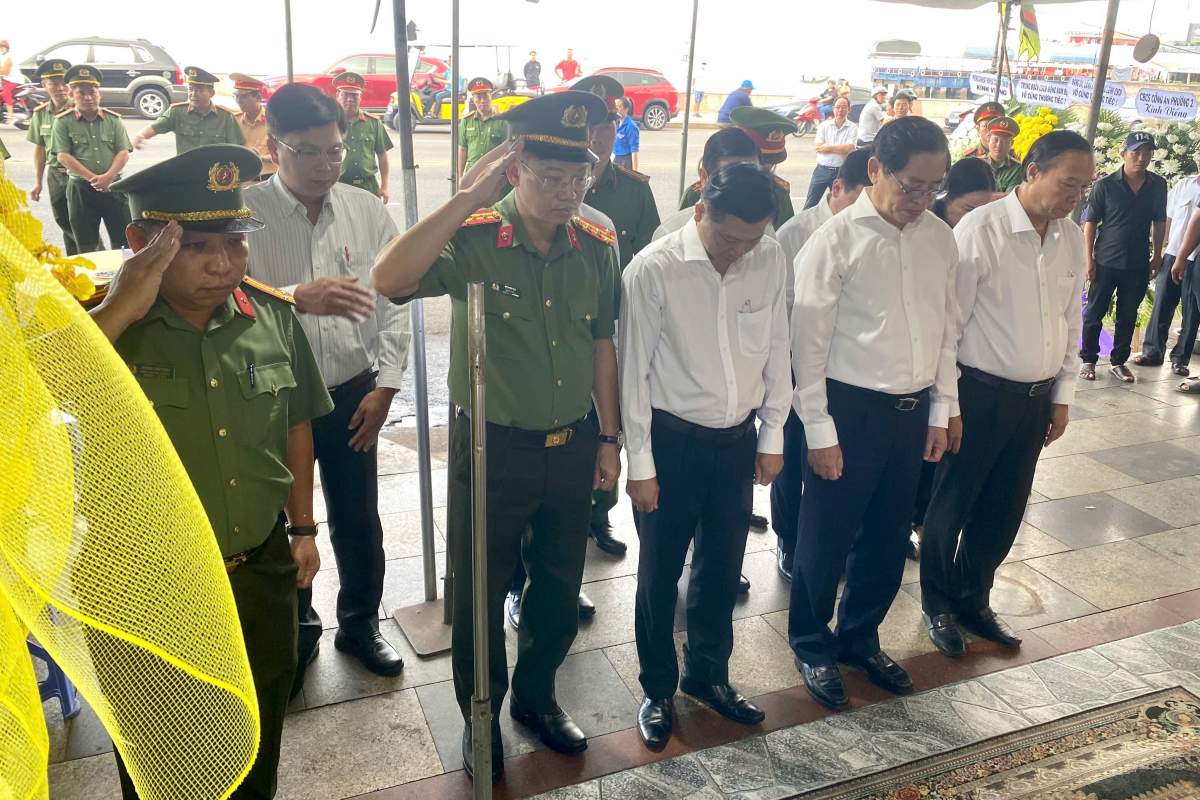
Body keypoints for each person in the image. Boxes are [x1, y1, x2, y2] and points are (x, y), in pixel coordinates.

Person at [369, 91, 621, 779]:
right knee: (481, 589)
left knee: (559, 584)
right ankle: (482, 712)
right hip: (491, 449)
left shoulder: (596, 243)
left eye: (580, 178)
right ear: (514, 171)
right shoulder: (476, 235)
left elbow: (603, 342)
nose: (570, 192)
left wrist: (611, 438)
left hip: (572, 443)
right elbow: (390, 277)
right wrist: (461, 200)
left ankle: (537, 699)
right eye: (552, 177)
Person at [92, 143, 334, 800]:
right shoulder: (100, 328)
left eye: (235, 241)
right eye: (198, 246)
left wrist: (305, 528)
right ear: (143, 242)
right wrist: (115, 311)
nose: (224, 263)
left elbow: (296, 424)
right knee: (159, 751)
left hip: (257, 569)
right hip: (149, 583)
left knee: (258, 730)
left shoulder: (273, 317)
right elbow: (31, 400)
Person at [244, 82, 410, 689]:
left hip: (350, 391)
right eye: (308, 152)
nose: (325, 165)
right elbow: (222, 298)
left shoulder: (366, 209)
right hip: (270, 397)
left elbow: (394, 302)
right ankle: (296, 629)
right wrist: (293, 298)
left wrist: (386, 385)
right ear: (273, 145)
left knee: (359, 515)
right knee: (280, 521)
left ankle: (361, 622)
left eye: (335, 150)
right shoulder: (243, 211)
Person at [789, 117, 957, 711]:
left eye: (934, 187)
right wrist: (818, 429)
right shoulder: (835, 241)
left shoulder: (939, 238)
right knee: (825, 536)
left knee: (888, 537)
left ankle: (859, 635)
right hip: (848, 409)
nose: (922, 199)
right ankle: (811, 641)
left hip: (911, 414)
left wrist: (943, 409)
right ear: (875, 170)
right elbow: (805, 347)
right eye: (911, 185)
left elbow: (945, 331)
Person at [622, 164, 788, 752]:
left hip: (736, 441)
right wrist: (638, 465)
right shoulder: (654, 268)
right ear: (700, 213)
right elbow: (632, 374)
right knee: (659, 572)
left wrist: (772, 438)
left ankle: (708, 674)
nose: (739, 252)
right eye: (728, 240)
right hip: (671, 442)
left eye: (752, 239)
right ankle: (657, 687)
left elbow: (776, 348)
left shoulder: (768, 256)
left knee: (722, 566)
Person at [921, 131, 1091, 658]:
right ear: (1033, 170)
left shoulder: (1067, 237)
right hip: (979, 392)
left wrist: (1061, 395)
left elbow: (1071, 319)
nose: (1074, 198)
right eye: (1068, 184)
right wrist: (945, 406)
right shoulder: (981, 230)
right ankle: (938, 605)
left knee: (1005, 506)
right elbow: (949, 326)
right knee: (952, 503)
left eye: (1083, 188)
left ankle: (975, 598)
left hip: (1034, 398)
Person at [771, 149, 872, 582]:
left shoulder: (874, 232)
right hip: (798, 364)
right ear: (836, 189)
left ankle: (833, 539)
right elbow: (783, 312)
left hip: (848, 370)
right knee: (793, 458)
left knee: (836, 457)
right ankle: (788, 538)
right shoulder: (795, 234)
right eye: (860, 199)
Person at [578, 73, 660, 549]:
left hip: (618, 326)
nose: (597, 133)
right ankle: (575, 514)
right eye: (589, 123)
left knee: (613, 422)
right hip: (567, 327)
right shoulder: (556, 182)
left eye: (606, 122)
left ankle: (600, 513)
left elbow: (650, 257)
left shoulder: (633, 191)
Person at [911, 157, 998, 554]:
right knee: (919, 450)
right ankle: (910, 520)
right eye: (967, 209)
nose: (974, 218)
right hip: (920, 361)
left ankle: (926, 520)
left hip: (959, 365)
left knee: (943, 448)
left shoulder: (983, 236)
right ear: (945, 201)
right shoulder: (926, 234)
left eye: (984, 208)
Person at [1080, 131, 1167, 384]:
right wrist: (1088, 257)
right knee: (1094, 312)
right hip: (1106, 260)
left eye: (1147, 152)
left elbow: (1159, 221)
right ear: (1123, 154)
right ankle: (1088, 359)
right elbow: (1091, 222)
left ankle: (1119, 361)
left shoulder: (1157, 185)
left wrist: (1157, 255)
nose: (1142, 158)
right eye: (1136, 152)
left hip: (1138, 262)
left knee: (1128, 314)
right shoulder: (1104, 185)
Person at [673, 107, 796, 235]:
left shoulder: (778, 195)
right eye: (750, 167)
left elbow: (785, 239)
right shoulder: (696, 194)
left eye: (767, 167)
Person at [51, 64, 132, 253]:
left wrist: (108, 177)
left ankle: (124, 279)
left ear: (99, 94)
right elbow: (63, 156)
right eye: (81, 93)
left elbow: (123, 152)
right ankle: (91, 281)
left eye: (92, 92)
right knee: (86, 243)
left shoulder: (114, 120)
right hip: (81, 189)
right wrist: (94, 179)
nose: (88, 97)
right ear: (72, 95)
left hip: (114, 186)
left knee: (124, 241)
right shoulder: (63, 122)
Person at [1134, 145, 1200, 374]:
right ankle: (1152, 352)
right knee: (1162, 302)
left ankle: (1180, 359)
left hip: (1196, 257)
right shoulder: (1185, 184)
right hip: (1174, 252)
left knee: (1191, 310)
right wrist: (1160, 251)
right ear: (1195, 157)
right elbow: (1167, 217)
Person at [27, 58, 77, 254]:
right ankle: (77, 262)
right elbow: (40, 149)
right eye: (54, 83)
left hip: (77, 175)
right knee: (63, 221)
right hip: (55, 174)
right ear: (44, 85)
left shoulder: (79, 109)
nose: (60, 88)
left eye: (64, 82)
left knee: (80, 224)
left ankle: (94, 259)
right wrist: (38, 182)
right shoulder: (41, 114)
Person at [133, 67, 244, 154]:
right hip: (186, 173)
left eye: (199, 90)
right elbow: (155, 127)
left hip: (215, 177)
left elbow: (237, 149)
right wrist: (140, 135)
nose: (193, 94)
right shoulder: (177, 112)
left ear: (211, 93)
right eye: (191, 89)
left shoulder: (226, 117)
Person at [330, 71, 392, 201]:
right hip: (339, 186)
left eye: (354, 95)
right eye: (346, 94)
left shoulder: (373, 123)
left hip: (368, 186)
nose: (350, 99)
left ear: (361, 97)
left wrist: (385, 186)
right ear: (337, 96)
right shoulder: (329, 124)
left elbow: (382, 155)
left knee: (370, 221)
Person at [804, 97, 858, 209]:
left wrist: (827, 148)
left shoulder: (853, 127)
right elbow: (818, 147)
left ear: (849, 109)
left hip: (840, 173)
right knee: (810, 204)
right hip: (821, 171)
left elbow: (849, 148)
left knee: (840, 206)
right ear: (833, 109)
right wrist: (840, 148)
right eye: (838, 107)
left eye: (844, 107)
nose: (840, 110)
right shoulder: (824, 125)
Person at [458, 77, 509, 179]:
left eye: (485, 96)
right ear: (473, 99)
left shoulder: (502, 121)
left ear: (491, 97)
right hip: (472, 174)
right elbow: (463, 149)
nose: (482, 101)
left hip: (494, 174)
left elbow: (507, 151)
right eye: (478, 97)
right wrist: (460, 176)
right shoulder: (466, 121)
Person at [230, 73, 276, 180]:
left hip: (266, 178)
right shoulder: (234, 121)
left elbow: (283, 153)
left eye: (243, 96)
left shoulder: (273, 121)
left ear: (258, 97)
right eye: (236, 96)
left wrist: (262, 158)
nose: (239, 100)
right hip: (242, 179)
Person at [976, 116, 1023, 193]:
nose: (999, 145)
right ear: (988, 139)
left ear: (1012, 143)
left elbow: (1009, 198)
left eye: (1006, 141)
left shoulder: (1017, 168)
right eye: (995, 140)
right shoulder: (977, 164)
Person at [613, 97, 640, 171]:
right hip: (617, 159)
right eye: (615, 106)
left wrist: (635, 173)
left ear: (626, 109)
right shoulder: (616, 123)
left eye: (619, 106)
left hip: (626, 162)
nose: (616, 109)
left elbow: (634, 151)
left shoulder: (631, 127)